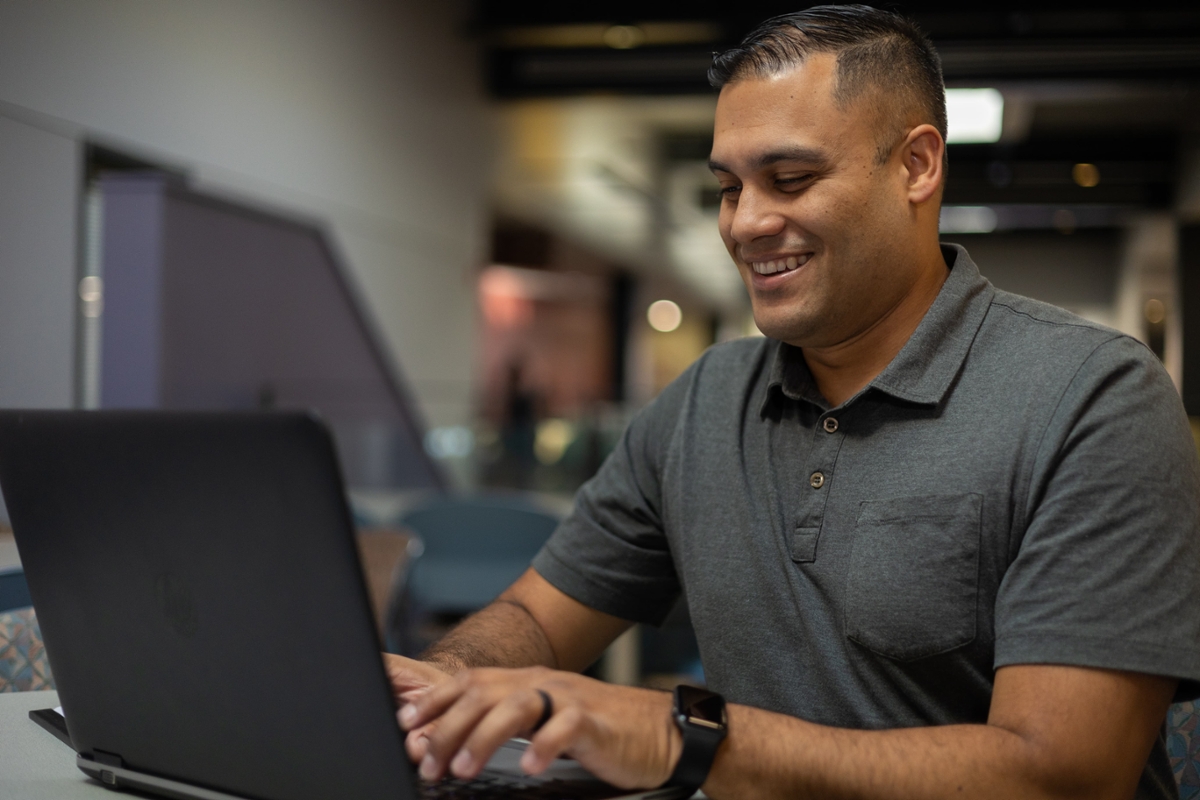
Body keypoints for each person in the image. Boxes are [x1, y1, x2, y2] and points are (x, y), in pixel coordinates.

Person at [386, 6, 1200, 798]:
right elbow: (537, 616)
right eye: (729, 187)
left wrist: (681, 737)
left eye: (791, 178)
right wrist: (443, 683)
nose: (745, 223)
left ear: (917, 167)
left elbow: (1063, 774)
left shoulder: (1094, 398)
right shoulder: (704, 400)